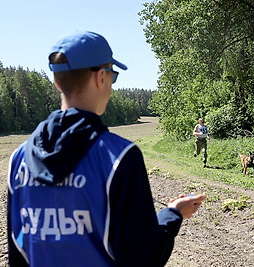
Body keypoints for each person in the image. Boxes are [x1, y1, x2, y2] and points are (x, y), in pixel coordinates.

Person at [7, 30, 205, 267]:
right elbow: (143, 257)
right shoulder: (120, 157)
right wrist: (173, 214)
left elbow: (17, 250)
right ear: (101, 77)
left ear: (56, 81)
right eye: (113, 75)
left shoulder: (19, 158)